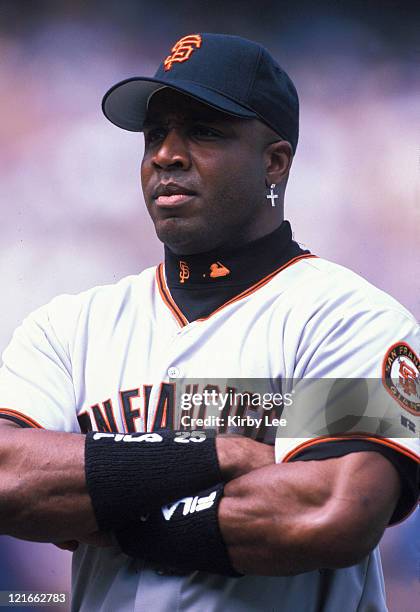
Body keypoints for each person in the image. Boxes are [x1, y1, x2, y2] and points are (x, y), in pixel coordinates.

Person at [0, 33, 418, 612]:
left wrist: (111, 508)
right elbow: (6, 478)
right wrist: (218, 456)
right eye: (154, 136)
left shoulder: (355, 319)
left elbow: (331, 513)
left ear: (274, 162)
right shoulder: (69, 327)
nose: (165, 155)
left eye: (204, 131)